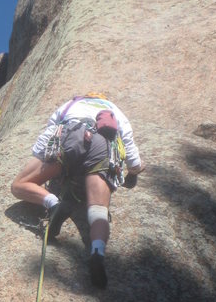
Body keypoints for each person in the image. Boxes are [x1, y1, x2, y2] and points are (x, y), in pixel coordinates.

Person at [11, 92, 144, 288]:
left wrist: (45, 159)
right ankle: (97, 251)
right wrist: (134, 172)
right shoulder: (114, 111)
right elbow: (132, 156)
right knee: (98, 209)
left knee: (19, 185)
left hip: (70, 136)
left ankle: (53, 203)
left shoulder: (68, 105)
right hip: (102, 144)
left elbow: (50, 131)